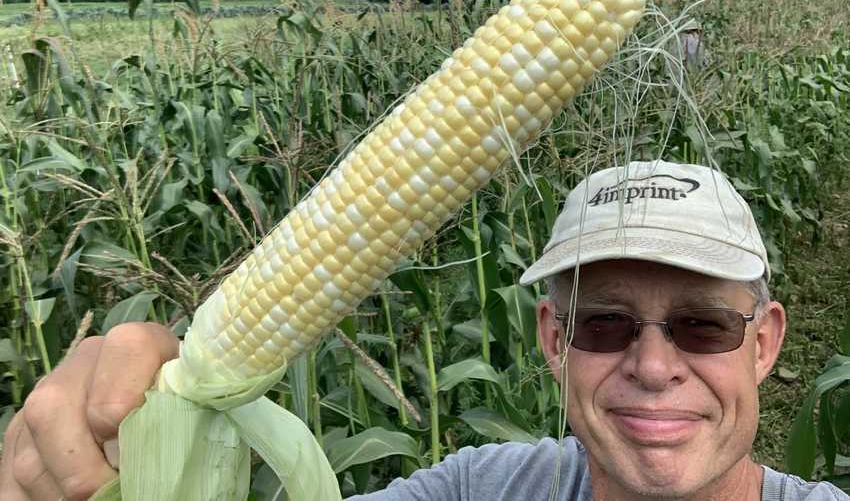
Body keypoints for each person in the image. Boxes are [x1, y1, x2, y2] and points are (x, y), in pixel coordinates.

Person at [1, 160, 847, 500]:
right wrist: (138, 435)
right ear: (553, 340)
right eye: (605, 325)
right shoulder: (480, 490)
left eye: (702, 326)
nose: (654, 365)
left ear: (765, 342)